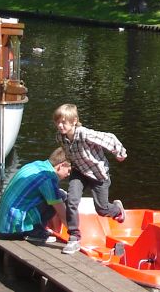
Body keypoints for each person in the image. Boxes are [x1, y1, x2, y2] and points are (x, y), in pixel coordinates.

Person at [54, 103, 127, 255]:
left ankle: (117, 209)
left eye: (64, 122)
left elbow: (109, 138)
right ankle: (74, 237)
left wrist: (120, 153)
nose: (60, 126)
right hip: (79, 171)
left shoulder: (84, 133)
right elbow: (69, 153)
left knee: (101, 209)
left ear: (74, 121)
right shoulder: (60, 136)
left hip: (97, 174)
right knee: (72, 200)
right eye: (58, 122)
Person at [0, 148, 71, 242]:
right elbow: (61, 211)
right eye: (69, 170)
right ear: (61, 166)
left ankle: (36, 228)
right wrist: (74, 233)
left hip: (2, 224)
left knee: (56, 194)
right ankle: (34, 232)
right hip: (13, 230)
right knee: (60, 197)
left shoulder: (36, 165)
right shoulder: (48, 178)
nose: (69, 174)